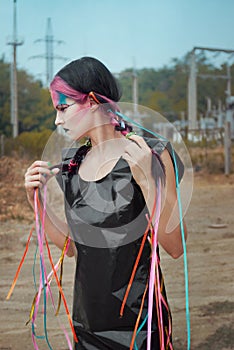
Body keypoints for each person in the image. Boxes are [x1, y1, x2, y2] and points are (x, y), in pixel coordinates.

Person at [24, 56, 187, 350]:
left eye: (63, 108)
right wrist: (35, 200)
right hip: (86, 324)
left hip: (140, 325)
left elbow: (175, 246)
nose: (57, 121)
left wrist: (147, 180)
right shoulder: (71, 164)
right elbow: (73, 249)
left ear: (91, 101)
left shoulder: (150, 152)